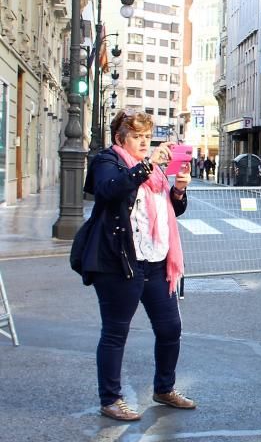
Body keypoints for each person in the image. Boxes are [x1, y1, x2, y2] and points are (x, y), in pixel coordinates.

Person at [75, 109, 195, 421]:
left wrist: (179, 189)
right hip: (119, 262)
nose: (143, 142)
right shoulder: (107, 161)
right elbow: (108, 190)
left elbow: (168, 210)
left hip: (156, 262)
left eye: (146, 136)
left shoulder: (152, 173)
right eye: (137, 137)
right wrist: (148, 164)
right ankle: (110, 399)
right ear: (120, 138)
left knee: (170, 328)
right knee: (116, 332)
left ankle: (164, 388)